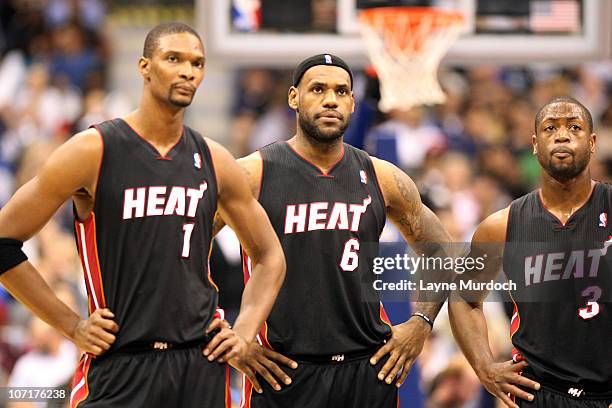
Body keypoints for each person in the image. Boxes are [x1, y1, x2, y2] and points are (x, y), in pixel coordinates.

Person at [0, 22, 286, 408]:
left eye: (197, 63)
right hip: (121, 362)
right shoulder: (92, 150)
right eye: (174, 59)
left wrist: (244, 330)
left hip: (200, 363)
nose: (188, 71)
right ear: (144, 66)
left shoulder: (216, 160)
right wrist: (72, 326)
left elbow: (270, 256)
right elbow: (4, 242)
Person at [214, 54, 453, 407]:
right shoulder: (252, 173)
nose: (330, 99)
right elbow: (181, 250)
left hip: (367, 370)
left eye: (341, 91)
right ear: (294, 97)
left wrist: (421, 322)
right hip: (282, 372)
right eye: (318, 89)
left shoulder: (382, 177)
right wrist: (227, 333)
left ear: (353, 103)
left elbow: (447, 254)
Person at [449, 97, 612, 408]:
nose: (562, 135)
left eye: (574, 127)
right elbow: (463, 298)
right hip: (537, 393)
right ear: (535, 144)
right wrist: (484, 367)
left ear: (592, 143)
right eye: (551, 128)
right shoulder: (502, 226)